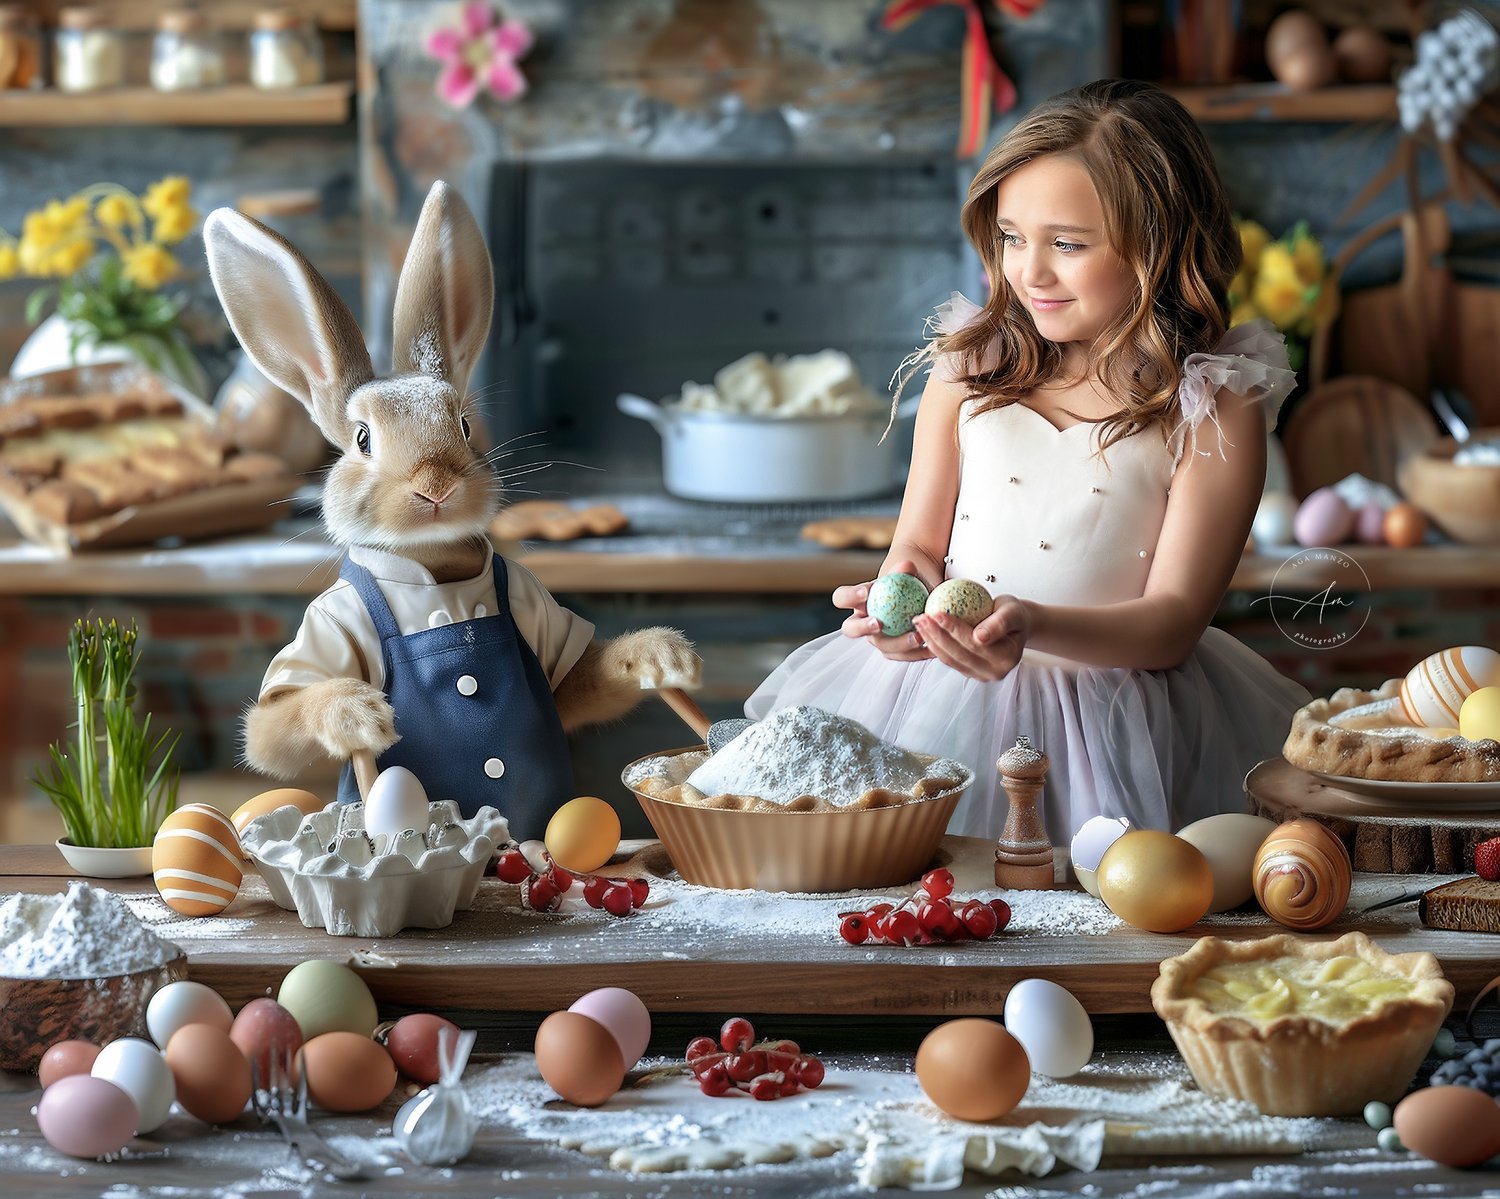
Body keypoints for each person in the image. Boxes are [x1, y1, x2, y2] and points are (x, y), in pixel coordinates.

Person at [745, 78, 1310, 843]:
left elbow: (1172, 624)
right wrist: (899, 599)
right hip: (936, 698)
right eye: (1012, 236)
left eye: (1067, 244)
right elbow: (916, 541)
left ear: (1161, 244)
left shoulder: (1214, 401)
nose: (1028, 271)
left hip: (1117, 724)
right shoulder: (969, 367)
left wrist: (1030, 624)